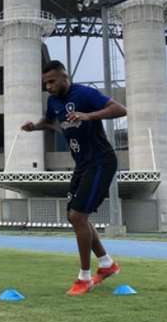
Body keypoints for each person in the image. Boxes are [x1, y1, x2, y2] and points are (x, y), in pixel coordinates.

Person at [21, 60, 127, 296]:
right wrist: (34, 127)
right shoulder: (53, 101)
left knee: (78, 216)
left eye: (51, 81)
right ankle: (107, 264)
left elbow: (120, 109)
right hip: (81, 165)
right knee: (75, 217)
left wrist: (89, 116)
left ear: (64, 77)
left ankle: (85, 278)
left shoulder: (85, 93)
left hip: (101, 161)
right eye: (45, 83)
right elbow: (50, 122)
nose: (48, 87)